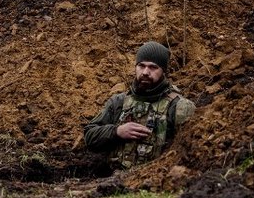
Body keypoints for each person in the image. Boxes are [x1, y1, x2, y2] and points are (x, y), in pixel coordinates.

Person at [83, 41, 195, 170]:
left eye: (153, 67)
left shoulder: (178, 107)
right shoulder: (119, 102)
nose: (145, 72)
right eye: (141, 66)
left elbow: (188, 152)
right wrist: (117, 131)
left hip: (156, 180)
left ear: (163, 71)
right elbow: (89, 136)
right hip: (113, 182)